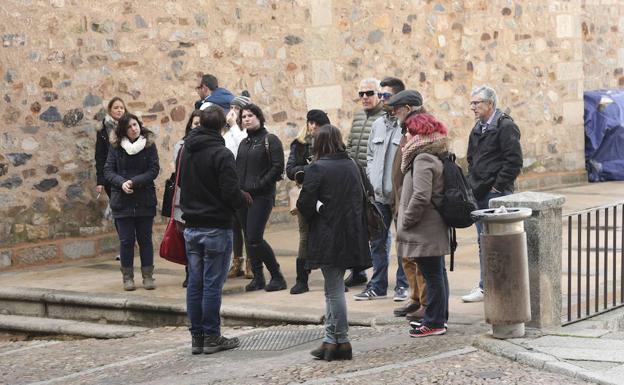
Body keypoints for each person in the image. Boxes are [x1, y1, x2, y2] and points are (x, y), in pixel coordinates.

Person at [178, 105, 251, 355]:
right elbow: (230, 191)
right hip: (215, 227)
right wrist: (243, 199)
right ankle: (211, 336)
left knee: (196, 284)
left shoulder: (186, 150)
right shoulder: (221, 153)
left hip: (192, 226)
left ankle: (197, 337)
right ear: (221, 126)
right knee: (210, 285)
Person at [297, 124, 371, 361]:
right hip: (352, 232)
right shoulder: (353, 165)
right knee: (333, 289)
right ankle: (332, 340)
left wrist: (319, 206)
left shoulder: (317, 168)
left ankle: (339, 339)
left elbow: (304, 204)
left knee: (334, 290)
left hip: (329, 234)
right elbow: (365, 194)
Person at [462, 85, 523, 303]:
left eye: (477, 103)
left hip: (496, 195)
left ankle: (502, 286)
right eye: (472, 103)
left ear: (490, 104)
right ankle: (486, 285)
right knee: (483, 241)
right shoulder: (478, 128)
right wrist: (473, 183)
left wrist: (497, 187)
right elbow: (471, 158)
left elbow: (514, 161)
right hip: (479, 193)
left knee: (500, 242)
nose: (473, 107)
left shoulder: (505, 126)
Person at [354, 77, 409, 302]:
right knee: (377, 241)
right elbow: (369, 156)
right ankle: (377, 285)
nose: (381, 99)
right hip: (378, 195)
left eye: (385, 95)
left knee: (403, 240)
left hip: (399, 195)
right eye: (382, 95)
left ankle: (403, 285)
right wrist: (370, 181)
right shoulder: (377, 125)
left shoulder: (407, 126)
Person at [396, 112, 450, 338]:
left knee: (433, 276)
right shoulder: (426, 154)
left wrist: (407, 220)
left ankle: (435, 322)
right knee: (436, 274)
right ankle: (437, 318)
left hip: (425, 229)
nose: (406, 136)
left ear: (418, 132)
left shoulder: (423, 158)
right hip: (428, 228)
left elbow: (420, 196)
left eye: (408, 131)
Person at [104, 113, 160, 291]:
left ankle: (148, 276)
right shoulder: (116, 147)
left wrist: (134, 182)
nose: (133, 129)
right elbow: (108, 170)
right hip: (123, 201)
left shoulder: (149, 145)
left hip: (144, 199)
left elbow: (154, 169)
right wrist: (122, 183)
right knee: (126, 241)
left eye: (135, 125)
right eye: (129, 127)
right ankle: (127, 277)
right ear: (123, 130)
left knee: (145, 240)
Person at [386, 90, 429, 321]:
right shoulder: (406, 130)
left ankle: (425, 302)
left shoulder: (422, 129)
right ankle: (414, 298)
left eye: (397, 108)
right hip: (400, 201)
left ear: (409, 108)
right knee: (406, 256)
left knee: (419, 258)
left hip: (412, 203)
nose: (394, 113)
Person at [236, 104, 287, 292]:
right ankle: (258, 277)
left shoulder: (270, 140)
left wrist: (260, 184)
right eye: (243, 117)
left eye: (250, 115)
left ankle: (277, 276)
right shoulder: (244, 143)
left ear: (259, 117)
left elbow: (277, 167)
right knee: (248, 239)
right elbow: (238, 169)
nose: (246, 119)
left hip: (262, 197)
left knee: (255, 237)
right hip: (242, 198)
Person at [344, 77, 385, 288]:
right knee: (354, 227)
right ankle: (357, 270)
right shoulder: (359, 116)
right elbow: (351, 144)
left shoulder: (385, 117)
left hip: (374, 181)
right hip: (355, 178)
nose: (365, 98)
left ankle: (379, 277)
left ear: (379, 95)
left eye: (369, 93)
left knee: (376, 230)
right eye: (361, 94)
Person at [286, 109, 331, 295]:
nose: (313, 127)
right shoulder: (299, 144)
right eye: (310, 122)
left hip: (327, 195)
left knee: (327, 235)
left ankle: (332, 280)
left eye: (317, 123)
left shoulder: (331, 143)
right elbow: (290, 169)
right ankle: (301, 280)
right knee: (305, 236)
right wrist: (310, 168)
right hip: (306, 196)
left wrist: (310, 169)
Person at [172, 110, 202, 288]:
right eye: (195, 123)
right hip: (185, 196)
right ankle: (189, 272)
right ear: (190, 124)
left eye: (200, 123)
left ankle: (198, 272)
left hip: (201, 197)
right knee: (186, 236)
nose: (197, 126)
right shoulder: (181, 145)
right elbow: (179, 172)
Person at [224, 94, 251, 279]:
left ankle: (252, 263)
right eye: (231, 107)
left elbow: (243, 145)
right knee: (234, 225)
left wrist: (234, 126)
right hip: (232, 182)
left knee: (248, 225)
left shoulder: (248, 129)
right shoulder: (229, 131)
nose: (232, 111)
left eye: (236, 108)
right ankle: (237, 262)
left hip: (247, 184)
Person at [96, 97, 127, 199]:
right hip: (111, 175)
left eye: (122, 108)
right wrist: (100, 181)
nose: (119, 110)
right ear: (110, 110)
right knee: (117, 207)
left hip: (129, 174)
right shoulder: (103, 130)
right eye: (116, 107)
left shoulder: (131, 127)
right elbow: (100, 156)